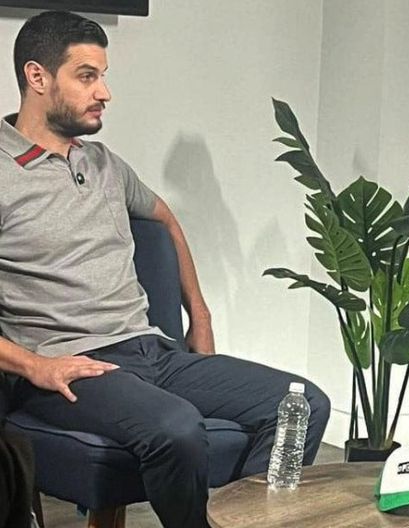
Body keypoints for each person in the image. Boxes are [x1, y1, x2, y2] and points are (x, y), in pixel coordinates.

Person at [0, 11, 330, 528]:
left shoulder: (105, 163)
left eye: (103, 76)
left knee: (303, 404)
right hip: (69, 368)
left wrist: (200, 316)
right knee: (177, 428)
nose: (104, 92)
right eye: (87, 76)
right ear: (37, 77)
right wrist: (34, 366)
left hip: (152, 351)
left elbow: (165, 219)